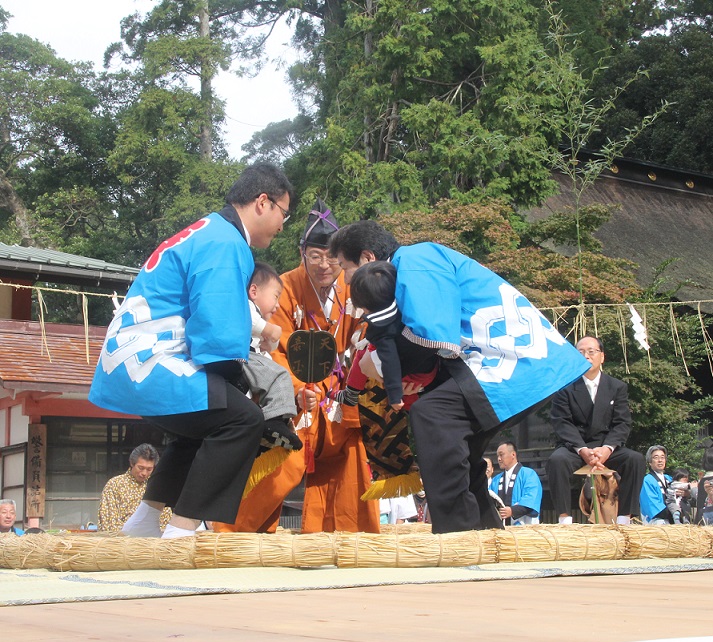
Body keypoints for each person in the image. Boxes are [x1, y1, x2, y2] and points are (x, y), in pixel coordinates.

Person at [328, 220, 590, 534]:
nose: (343, 278)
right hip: (503, 363)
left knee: (434, 415)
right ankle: (484, 534)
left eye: (344, 267)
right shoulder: (408, 269)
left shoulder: (414, 260)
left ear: (368, 259)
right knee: (461, 444)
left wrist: (385, 368)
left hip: (512, 360)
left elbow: (433, 339)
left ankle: (458, 534)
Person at [89, 163, 294, 538]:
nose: (283, 224)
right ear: (262, 202)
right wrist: (237, 383)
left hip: (133, 358)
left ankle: (145, 521)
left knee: (207, 421)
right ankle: (183, 530)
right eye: (284, 211)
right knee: (242, 418)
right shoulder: (227, 241)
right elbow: (215, 322)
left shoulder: (207, 231)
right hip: (151, 361)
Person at [216, 199, 380, 534]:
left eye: (331, 257)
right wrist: (298, 390)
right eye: (315, 256)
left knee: (354, 452)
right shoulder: (286, 286)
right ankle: (232, 531)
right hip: (295, 395)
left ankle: (349, 539)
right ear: (302, 252)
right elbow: (275, 350)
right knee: (285, 459)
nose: (323, 265)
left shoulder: (355, 287)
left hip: (343, 394)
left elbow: (366, 340)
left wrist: (347, 391)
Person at [547, 335, 645, 525]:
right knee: (556, 461)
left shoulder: (617, 387)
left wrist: (607, 449)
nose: (586, 357)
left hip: (606, 447)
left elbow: (622, 422)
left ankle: (625, 517)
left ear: (602, 357)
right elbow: (562, 422)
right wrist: (583, 450)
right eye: (581, 353)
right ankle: (564, 518)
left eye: (591, 352)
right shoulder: (564, 388)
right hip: (576, 448)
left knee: (635, 459)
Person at [331, 261, 438, 410]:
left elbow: (390, 359)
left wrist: (395, 396)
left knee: (364, 350)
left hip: (413, 378)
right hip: (431, 369)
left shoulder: (381, 327)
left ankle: (351, 393)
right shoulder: (408, 305)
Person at [243, 261, 303, 452]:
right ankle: (275, 421)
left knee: (275, 372)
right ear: (254, 291)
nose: (277, 305)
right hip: (243, 359)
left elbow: (270, 343)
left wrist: (271, 340)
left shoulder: (258, 315)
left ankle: (279, 425)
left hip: (252, 362)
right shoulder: (245, 306)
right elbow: (247, 320)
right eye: (275, 297)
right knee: (279, 375)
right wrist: (269, 329)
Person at [98, 443, 172, 532]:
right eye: (141, 468)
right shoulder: (115, 485)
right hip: (122, 541)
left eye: (149, 469)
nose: (144, 473)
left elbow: (166, 520)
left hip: (152, 541)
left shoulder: (157, 488)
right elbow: (108, 522)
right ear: (132, 463)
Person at [489, 442, 543, 526]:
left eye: (501, 455)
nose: (499, 459)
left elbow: (531, 498)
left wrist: (512, 511)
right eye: (497, 456)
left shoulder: (528, 474)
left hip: (525, 529)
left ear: (513, 454)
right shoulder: (496, 480)